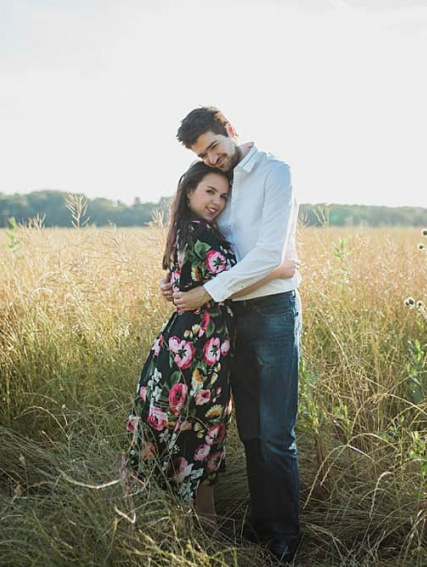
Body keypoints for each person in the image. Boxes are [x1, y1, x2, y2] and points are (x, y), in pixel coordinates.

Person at [164, 106, 302, 563]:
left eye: (214, 147)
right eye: (202, 155)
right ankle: (263, 525)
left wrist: (205, 292)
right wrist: (177, 281)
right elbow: (207, 242)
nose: (212, 158)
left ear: (231, 131)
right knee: (250, 432)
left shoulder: (275, 173)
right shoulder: (220, 182)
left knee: (275, 433)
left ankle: (283, 538)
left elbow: (269, 255)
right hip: (228, 319)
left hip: (273, 312)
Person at [125, 161, 294, 528]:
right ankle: (198, 523)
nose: (217, 201)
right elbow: (229, 285)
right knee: (199, 429)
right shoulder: (200, 232)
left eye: (224, 196)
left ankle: (201, 522)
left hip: (194, 346)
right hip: (196, 351)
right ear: (190, 192)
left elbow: (200, 283)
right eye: (210, 192)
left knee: (198, 430)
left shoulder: (187, 229)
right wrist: (277, 270)